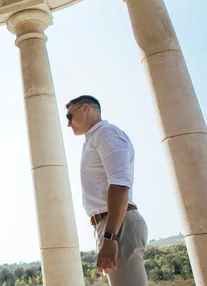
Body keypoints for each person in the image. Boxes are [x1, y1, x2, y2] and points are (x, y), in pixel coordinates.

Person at [65, 95, 148, 285]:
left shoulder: (106, 133)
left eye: (70, 117)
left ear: (85, 108)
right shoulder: (95, 139)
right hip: (112, 225)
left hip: (117, 225)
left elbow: (120, 184)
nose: (68, 124)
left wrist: (110, 237)